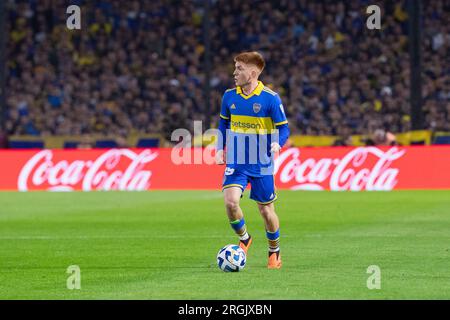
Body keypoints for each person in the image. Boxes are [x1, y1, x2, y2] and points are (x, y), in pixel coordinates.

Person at [215, 52, 290, 269]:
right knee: (230, 203)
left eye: (239, 68)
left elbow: (284, 128)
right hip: (237, 162)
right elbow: (223, 124)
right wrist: (220, 148)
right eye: (235, 67)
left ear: (253, 72)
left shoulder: (270, 98)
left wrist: (278, 143)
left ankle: (274, 250)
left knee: (266, 211)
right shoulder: (229, 96)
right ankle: (245, 238)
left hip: (261, 163)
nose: (234, 72)